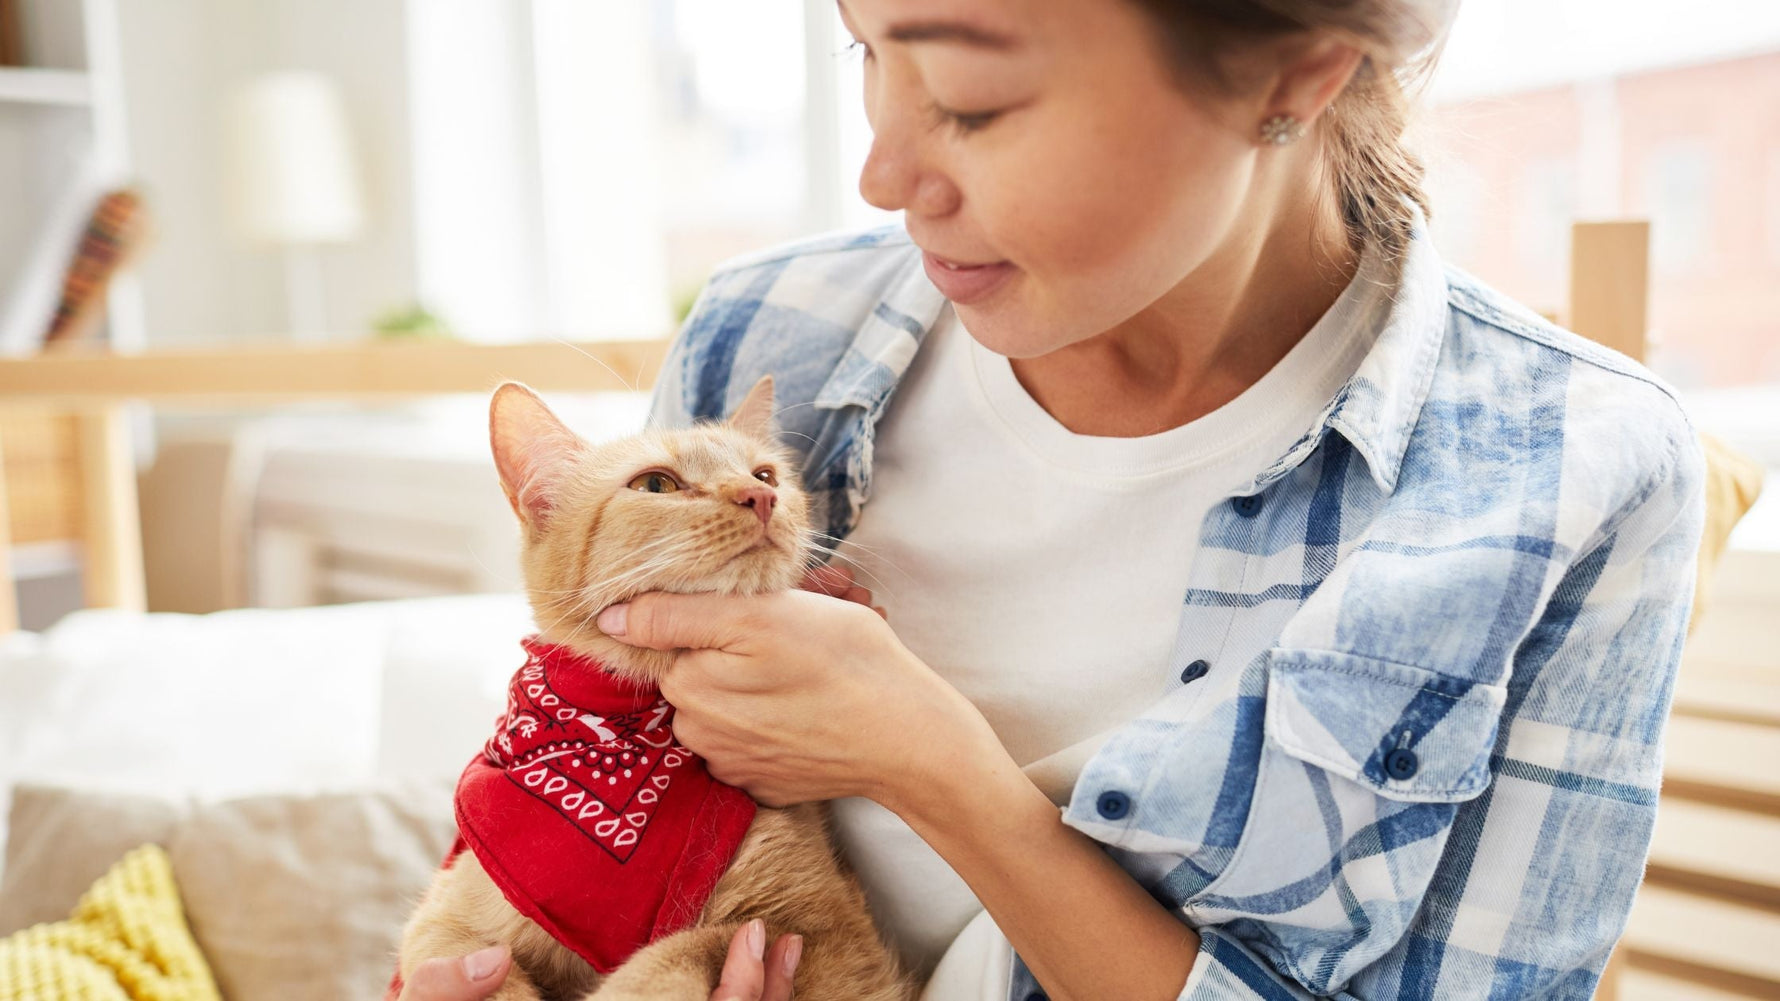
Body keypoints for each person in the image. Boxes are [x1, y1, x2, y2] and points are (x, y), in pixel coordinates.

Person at [404, 1, 1705, 999]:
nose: (883, 169)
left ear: (1301, 64)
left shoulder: (1567, 473)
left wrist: (931, 760)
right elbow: (572, 809)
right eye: (866, 54)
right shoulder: (774, 339)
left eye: (971, 100)